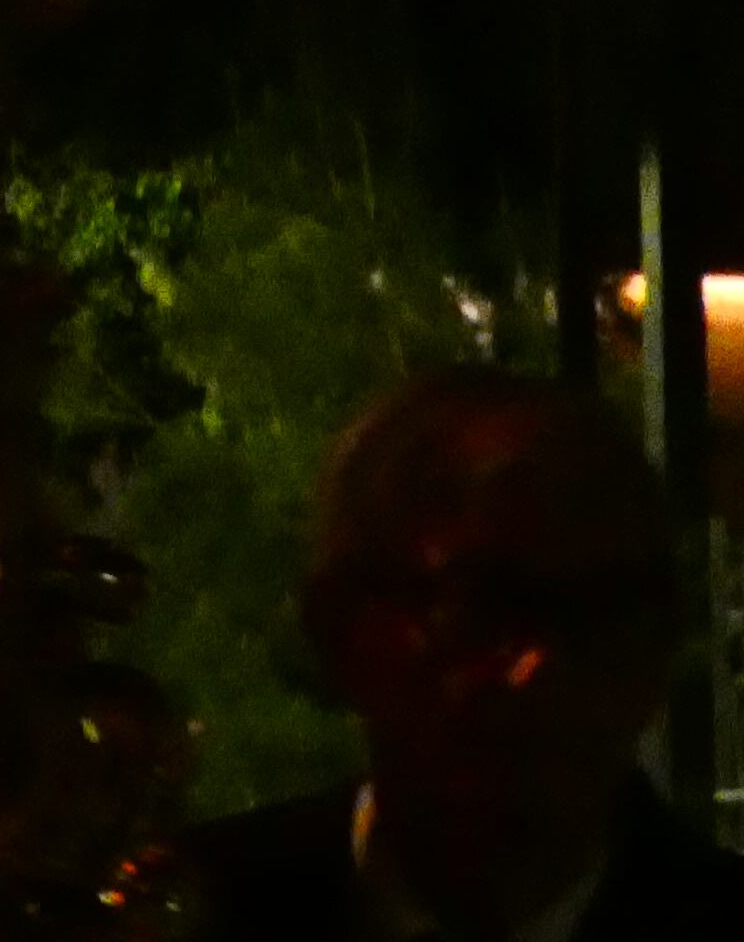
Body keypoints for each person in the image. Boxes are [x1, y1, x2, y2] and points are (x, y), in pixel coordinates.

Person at [184, 370, 744, 942]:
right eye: (485, 608)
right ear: (339, 628)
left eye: (603, 613)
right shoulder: (179, 914)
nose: (538, 666)